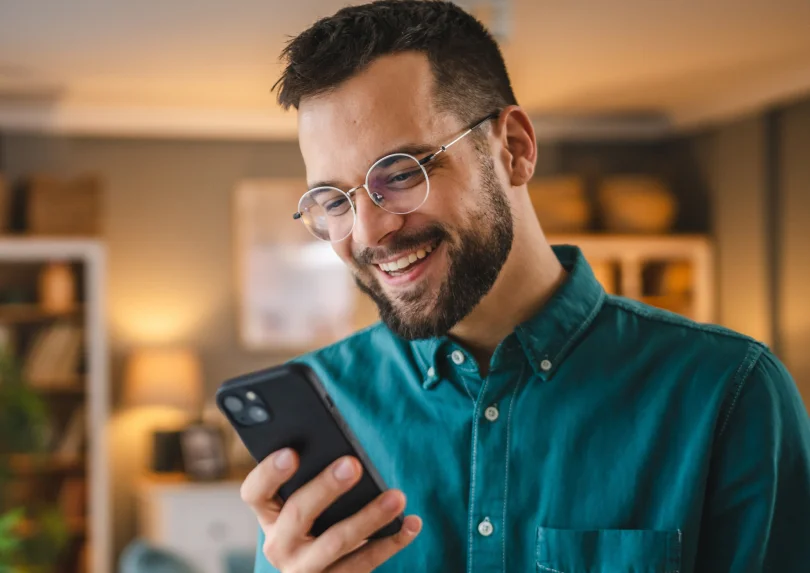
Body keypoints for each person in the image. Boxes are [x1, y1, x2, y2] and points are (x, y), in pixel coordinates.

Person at [240, 1, 810, 571]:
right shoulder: (323, 405)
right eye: (333, 200)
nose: (368, 232)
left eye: (401, 173)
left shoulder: (729, 394)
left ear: (513, 148)